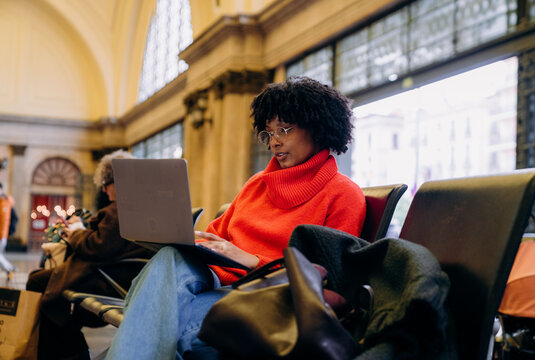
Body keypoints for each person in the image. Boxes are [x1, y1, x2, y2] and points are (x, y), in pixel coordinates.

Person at [105, 76, 367, 360]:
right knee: (170, 258)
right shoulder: (257, 184)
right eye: (268, 133)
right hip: (219, 282)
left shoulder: (343, 194)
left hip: (271, 301)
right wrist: (194, 241)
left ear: (318, 129)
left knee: (160, 315)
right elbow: (216, 234)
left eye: (285, 130)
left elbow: (332, 281)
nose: (274, 142)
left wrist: (252, 261)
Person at [26, 150, 155, 360]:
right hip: (119, 274)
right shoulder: (137, 208)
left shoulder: (121, 209)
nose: (104, 190)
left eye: (106, 183)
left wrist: (77, 233)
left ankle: (70, 349)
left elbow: (97, 247)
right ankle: (66, 347)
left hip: (108, 279)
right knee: (42, 284)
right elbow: (109, 242)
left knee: (37, 283)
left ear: (119, 181)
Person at [0, 182, 15, 274]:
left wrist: (11, 231)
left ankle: (9, 268)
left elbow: (14, 218)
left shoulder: (7, 202)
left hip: (2, 235)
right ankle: (9, 268)